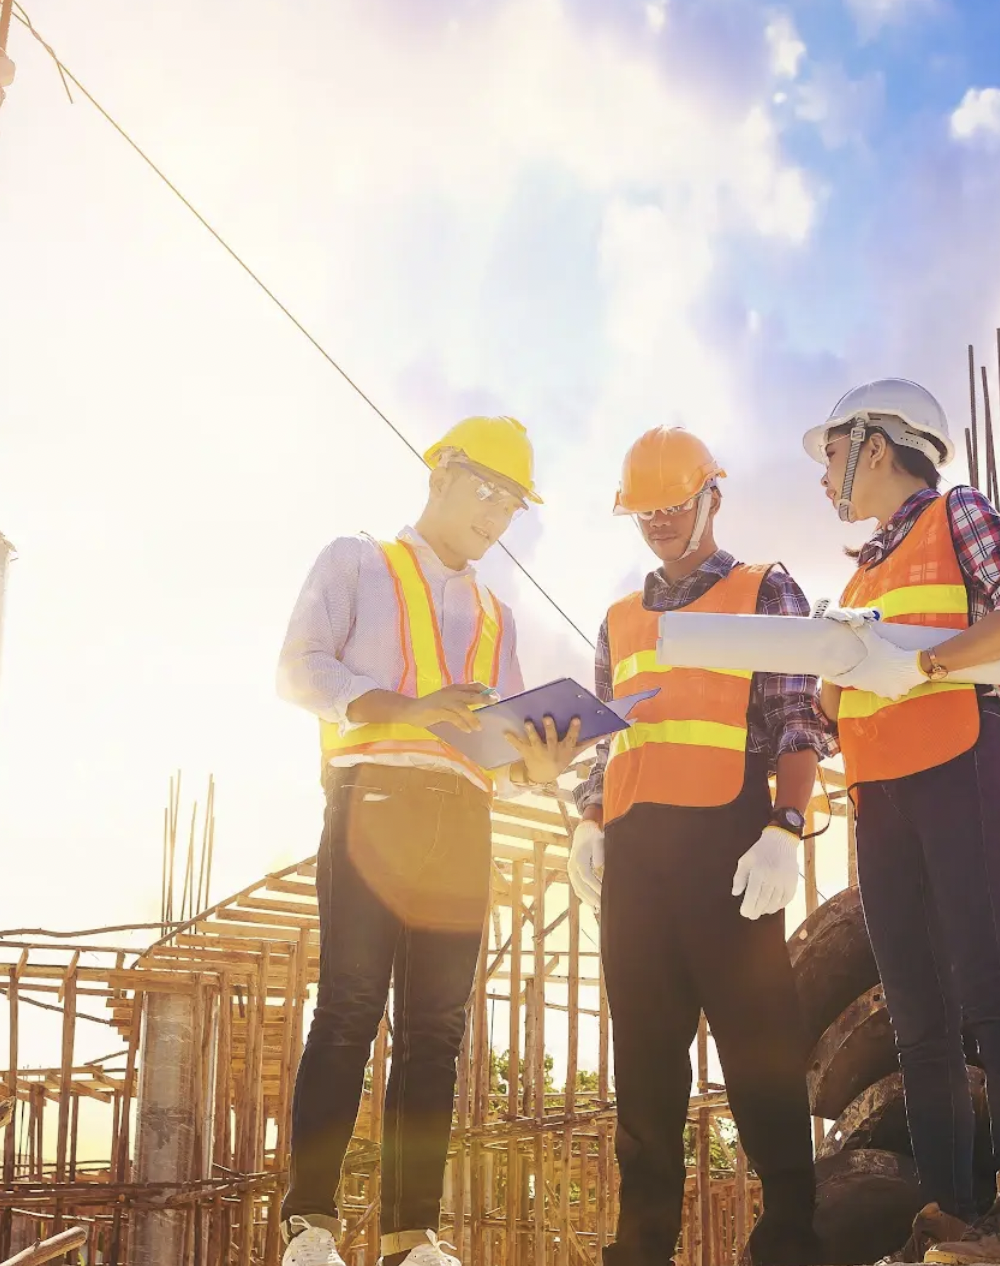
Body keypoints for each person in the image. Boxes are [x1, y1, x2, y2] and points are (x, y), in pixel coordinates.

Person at [275, 415, 589, 1266]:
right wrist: (408, 709)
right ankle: (310, 1226)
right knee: (347, 1010)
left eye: (514, 506)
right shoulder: (358, 562)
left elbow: (507, 741)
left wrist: (540, 762)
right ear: (440, 473)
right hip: (374, 796)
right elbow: (300, 670)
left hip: (464, 815)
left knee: (435, 1030)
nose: (498, 518)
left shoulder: (498, 613)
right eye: (488, 492)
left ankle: (412, 1237)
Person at [803, 378, 1000, 1266]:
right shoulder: (858, 576)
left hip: (961, 766)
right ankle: (955, 1209)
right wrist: (832, 676)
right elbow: (839, 704)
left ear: (877, 445)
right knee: (917, 1012)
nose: (826, 471)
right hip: (884, 799)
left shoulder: (957, 514)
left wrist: (932, 666)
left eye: (833, 450)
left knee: (990, 979)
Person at [567, 427, 829, 1266]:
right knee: (644, 1072)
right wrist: (588, 819)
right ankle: (641, 1249)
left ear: (712, 496)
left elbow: (797, 718)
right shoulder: (618, 617)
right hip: (638, 859)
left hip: (729, 850)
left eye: (674, 508)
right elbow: (607, 737)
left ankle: (789, 1241)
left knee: (760, 1053)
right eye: (644, 513)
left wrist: (785, 826)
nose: (659, 525)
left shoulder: (765, 589)